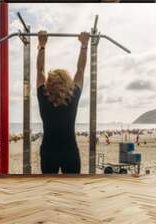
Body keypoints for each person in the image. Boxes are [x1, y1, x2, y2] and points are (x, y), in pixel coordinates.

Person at [36, 30, 90, 174]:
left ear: (49, 83)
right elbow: (80, 69)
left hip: (49, 152)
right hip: (69, 152)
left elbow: (40, 70)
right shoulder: (72, 96)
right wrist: (84, 45)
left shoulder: (43, 94)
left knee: (50, 190)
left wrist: (42, 45)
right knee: (71, 190)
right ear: (68, 82)